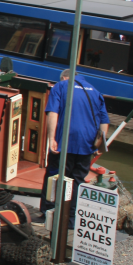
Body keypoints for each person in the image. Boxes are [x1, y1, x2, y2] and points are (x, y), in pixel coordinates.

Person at [41, 68, 109, 225]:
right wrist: (100, 145)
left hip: (65, 140)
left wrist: (52, 138)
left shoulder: (61, 86)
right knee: (77, 179)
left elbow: (53, 112)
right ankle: (70, 220)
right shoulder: (96, 92)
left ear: (65, 77)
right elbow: (104, 122)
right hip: (87, 143)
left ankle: (48, 213)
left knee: (54, 177)